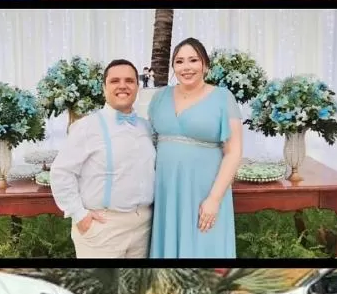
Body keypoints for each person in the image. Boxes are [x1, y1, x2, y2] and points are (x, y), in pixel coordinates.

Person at [49, 59, 157, 259]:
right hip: (102, 227)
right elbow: (61, 172)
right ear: (104, 87)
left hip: (143, 226)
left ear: (137, 87)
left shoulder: (146, 127)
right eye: (115, 80)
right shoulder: (86, 127)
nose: (122, 85)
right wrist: (79, 215)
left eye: (129, 81)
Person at [147, 37, 243, 258]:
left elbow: (234, 151)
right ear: (173, 67)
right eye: (179, 61)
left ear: (205, 65)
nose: (186, 67)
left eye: (193, 60)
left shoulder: (222, 98)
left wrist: (214, 199)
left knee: (204, 248)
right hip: (166, 191)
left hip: (205, 190)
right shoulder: (159, 98)